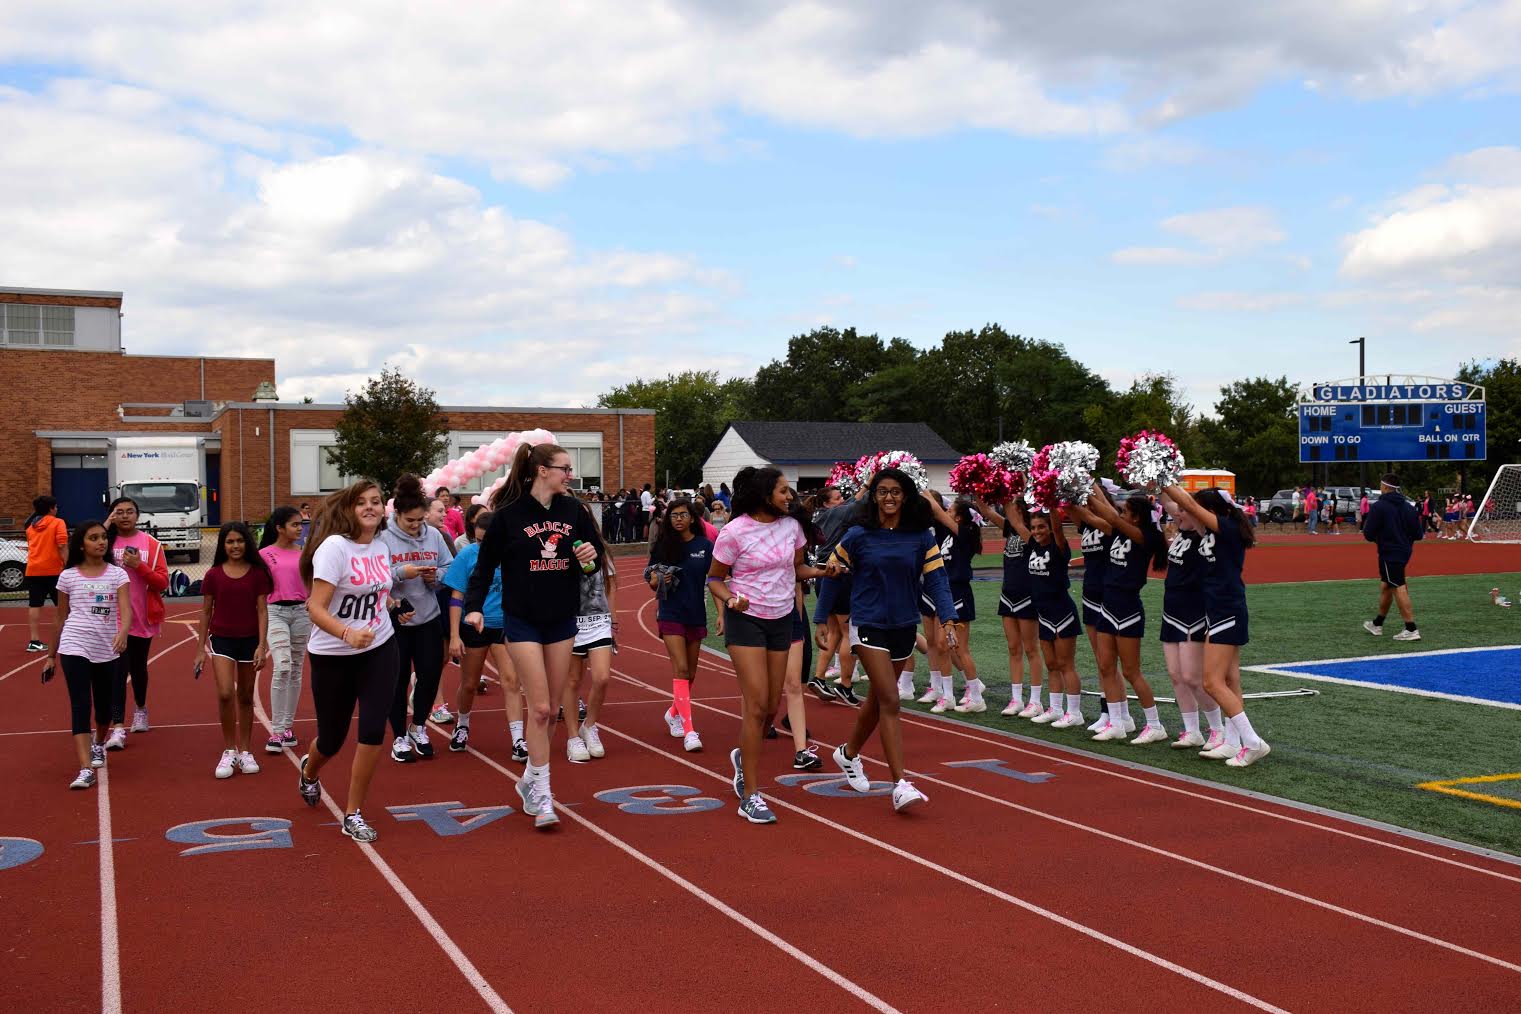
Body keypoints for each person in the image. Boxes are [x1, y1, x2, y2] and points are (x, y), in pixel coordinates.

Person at [464, 443, 601, 830]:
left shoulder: (574, 511)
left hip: (561, 618)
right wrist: (474, 606)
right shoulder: (507, 517)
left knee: (553, 710)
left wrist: (587, 559)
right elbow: (484, 567)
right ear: (541, 470)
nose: (569, 475)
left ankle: (530, 778)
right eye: (564, 468)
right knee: (539, 708)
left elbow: (589, 567)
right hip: (521, 619)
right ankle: (543, 794)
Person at [824, 467, 957, 813]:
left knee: (878, 701)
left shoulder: (921, 537)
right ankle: (900, 783)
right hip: (867, 623)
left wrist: (948, 618)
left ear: (906, 496)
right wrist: (821, 617)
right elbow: (831, 575)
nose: (888, 497)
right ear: (874, 495)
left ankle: (848, 753)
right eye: (882, 491)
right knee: (891, 700)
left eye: (895, 491)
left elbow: (938, 581)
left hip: (903, 625)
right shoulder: (857, 535)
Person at [708, 466, 832, 824]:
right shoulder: (734, 531)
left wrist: (824, 572)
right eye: (783, 491)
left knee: (769, 706)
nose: (789, 496)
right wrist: (731, 600)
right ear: (765, 494)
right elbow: (715, 578)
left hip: (783, 619)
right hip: (746, 619)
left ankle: (742, 757)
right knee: (758, 701)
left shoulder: (792, 527)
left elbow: (796, 570)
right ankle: (750, 793)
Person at [296, 478, 401, 843]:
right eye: (362, 503)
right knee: (332, 739)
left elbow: (376, 592)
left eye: (376, 501)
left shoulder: (382, 547)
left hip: (380, 647)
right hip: (334, 654)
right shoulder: (334, 548)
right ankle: (310, 771)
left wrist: (391, 606)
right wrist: (346, 634)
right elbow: (315, 607)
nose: (370, 507)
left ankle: (352, 813)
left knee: (373, 730)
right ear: (349, 509)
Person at [1162, 483, 1269, 767]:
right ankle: (1233, 743)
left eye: (1199, 507)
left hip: (1227, 610)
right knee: (1231, 680)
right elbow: (1181, 509)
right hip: (1216, 611)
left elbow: (1190, 507)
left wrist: (1165, 481)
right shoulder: (1206, 532)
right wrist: (1156, 485)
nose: (1190, 512)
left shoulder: (1228, 530)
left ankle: (1253, 742)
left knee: (1211, 681)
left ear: (1214, 511)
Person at [1071, 485, 1169, 743]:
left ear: (1136, 517)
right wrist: (1072, 497)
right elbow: (1094, 518)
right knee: (1105, 666)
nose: (1121, 513)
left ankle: (1155, 724)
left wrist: (1084, 489)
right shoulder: (1117, 532)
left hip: (1127, 609)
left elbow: (1111, 516)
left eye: (1126, 511)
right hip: (1108, 606)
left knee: (1131, 671)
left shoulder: (1140, 537)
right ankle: (1116, 722)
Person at [43, 521, 131, 790]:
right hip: (74, 644)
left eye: (103, 537)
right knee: (81, 704)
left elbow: (126, 610)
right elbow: (60, 618)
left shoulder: (117, 575)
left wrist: (123, 632)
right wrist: (51, 655)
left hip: (106, 648)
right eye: (93, 538)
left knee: (103, 709)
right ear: (82, 544)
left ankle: (98, 743)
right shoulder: (68, 577)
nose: (101, 542)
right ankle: (84, 769)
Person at [379, 475, 455, 763]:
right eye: (410, 521)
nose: (416, 526)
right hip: (396, 621)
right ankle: (398, 736)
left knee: (430, 675)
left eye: (420, 520)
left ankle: (418, 726)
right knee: (396, 681)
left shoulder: (434, 535)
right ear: (396, 514)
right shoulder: (382, 538)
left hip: (428, 617)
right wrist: (402, 573)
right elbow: (374, 578)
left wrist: (437, 577)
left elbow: (450, 566)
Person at [193, 522, 274, 779]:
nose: (235, 546)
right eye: (230, 542)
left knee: (247, 697)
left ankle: (246, 750)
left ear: (246, 543)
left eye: (240, 541)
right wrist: (199, 650)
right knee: (226, 693)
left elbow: (263, 610)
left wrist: (262, 645)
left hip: (250, 641)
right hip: (222, 641)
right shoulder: (214, 575)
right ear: (223, 545)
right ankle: (229, 750)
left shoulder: (258, 574)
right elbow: (206, 611)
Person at [444, 510, 523, 756]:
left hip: (505, 626)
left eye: (487, 541)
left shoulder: (513, 554)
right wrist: (455, 636)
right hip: (474, 626)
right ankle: (463, 725)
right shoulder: (467, 555)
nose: (482, 545)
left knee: (511, 681)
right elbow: (456, 598)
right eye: (478, 540)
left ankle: (518, 739)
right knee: (469, 684)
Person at [1005, 504, 1085, 729]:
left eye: (1042, 527)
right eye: (1034, 527)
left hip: (1062, 612)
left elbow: (1059, 529)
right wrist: (1004, 495)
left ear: (1050, 528)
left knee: (1065, 664)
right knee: (1051, 664)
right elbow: (1015, 521)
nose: (1037, 531)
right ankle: (1056, 708)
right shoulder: (1032, 546)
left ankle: (1075, 712)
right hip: (1043, 613)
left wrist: (1050, 503)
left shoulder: (1059, 548)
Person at [647, 498, 714, 753]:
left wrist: (721, 614)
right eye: (674, 515)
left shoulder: (704, 546)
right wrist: (658, 578)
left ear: (692, 518)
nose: (678, 519)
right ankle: (689, 731)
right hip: (670, 612)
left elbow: (716, 578)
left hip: (695, 613)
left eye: (683, 515)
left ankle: (674, 711)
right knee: (682, 669)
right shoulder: (663, 546)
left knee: (691, 673)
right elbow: (651, 581)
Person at [1157, 492, 1222, 751]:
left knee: (1193, 677)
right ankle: (1192, 730)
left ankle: (1217, 729)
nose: (1176, 514)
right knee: (1175, 675)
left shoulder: (1204, 534)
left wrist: (1190, 509)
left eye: (1183, 511)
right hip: (1171, 608)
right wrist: (1157, 476)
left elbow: (1189, 510)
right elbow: (1167, 501)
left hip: (1192, 611)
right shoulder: (1183, 531)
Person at [103, 496, 170, 745]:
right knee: (117, 671)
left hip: (141, 617)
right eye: (118, 512)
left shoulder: (151, 544)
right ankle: (117, 725)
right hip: (111, 619)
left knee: (138, 669)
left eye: (129, 511)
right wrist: (105, 526)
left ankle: (141, 708)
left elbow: (162, 582)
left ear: (137, 515)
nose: (124, 516)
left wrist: (139, 566)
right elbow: (83, 558)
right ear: (112, 516)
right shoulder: (103, 542)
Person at [974, 495, 1045, 718]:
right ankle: (1016, 698)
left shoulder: (1029, 534)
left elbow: (1014, 520)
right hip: (1008, 595)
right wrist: (980, 487)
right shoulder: (1010, 529)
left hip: (1027, 596)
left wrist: (1008, 495)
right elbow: (986, 510)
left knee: (1031, 649)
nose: (1008, 511)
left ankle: (1035, 701)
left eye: (1012, 508)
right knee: (1013, 648)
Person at [921, 495, 984, 713]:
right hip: (945, 592)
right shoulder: (947, 533)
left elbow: (937, 510)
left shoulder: (965, 534)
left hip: (959, 594)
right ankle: (947, 696)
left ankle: (976, 695)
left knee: (959, 647)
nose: (946, 513)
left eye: (951, 511)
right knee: (941, 646)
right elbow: (935, 514)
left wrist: (922, 489)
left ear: (958, 517)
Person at [566, 504, 616, 763]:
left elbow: (610, 583)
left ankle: (590, 726)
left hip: (598, 619)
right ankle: (573, 737)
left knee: (602, 677)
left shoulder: (600, 547)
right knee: (572, 681)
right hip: (570, 620)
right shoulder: (562, 546)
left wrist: (613, 620)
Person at [259, 506, 311, 754]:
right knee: (283, 666)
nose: (300, 529)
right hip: (275, 612)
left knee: (296, 670)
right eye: (295, 524)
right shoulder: (264, 554)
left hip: (301, 613)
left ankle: (287, 727)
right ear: (279, 527)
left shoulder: (305, 553)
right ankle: (277, 731)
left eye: (301, 525)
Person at [1362, 472, 1424, 642]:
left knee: (1398, 586)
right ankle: (1377, 623)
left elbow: (1368, 534)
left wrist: (1385, 538)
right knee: (1387, 585)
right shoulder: (1408, 507)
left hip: (1389, 552)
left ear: (1385, 487)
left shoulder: (1379, 507)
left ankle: (1411, 628)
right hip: (1404, 551)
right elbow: (1418, 534)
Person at [24, 495, 68, 652]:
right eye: (56, 507)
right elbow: (62, 545)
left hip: (33, 569)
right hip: (54, 570)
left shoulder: (30, 527)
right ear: (51, 508)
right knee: (63, 605)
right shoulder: (58, 522)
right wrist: (68, 565)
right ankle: (67, 638)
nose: (57, 509)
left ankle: (34, 641)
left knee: (34, 604)